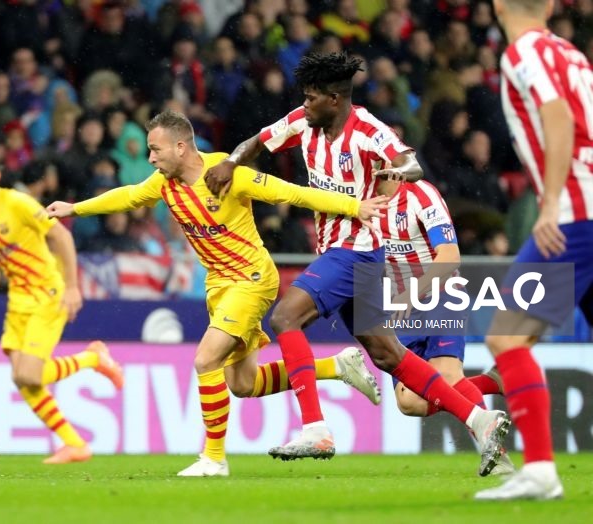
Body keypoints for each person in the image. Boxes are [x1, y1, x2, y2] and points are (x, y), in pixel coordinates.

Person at [205, 52, 509, 472]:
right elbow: (257, 140)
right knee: (386, 353)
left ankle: (315, 428)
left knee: (286, 317)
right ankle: (479, 418)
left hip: (357, 249)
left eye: (312, 98)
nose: (304, 104)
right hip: (349, 256)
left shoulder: (368, 131)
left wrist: (396, 173)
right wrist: (231, 160)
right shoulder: (301, 121)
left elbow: (410, 161)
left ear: (334, 99)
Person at [47, 110, 387, 476]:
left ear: (181, 147)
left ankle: (213, 458)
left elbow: (293, 193)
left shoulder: (231, 175)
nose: (150, 158)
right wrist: (74, 209)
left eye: (155, 150)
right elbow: (129, 197)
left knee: (205, 359)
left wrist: (354, 206)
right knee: (242, 384)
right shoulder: (164, 184)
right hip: (219, 286)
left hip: (251, 278)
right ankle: (336, 366)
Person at [476, 0, 593, 500]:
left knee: (507, 339)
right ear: (549, 5)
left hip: (573, 213)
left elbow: (558, 115)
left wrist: (549, 206)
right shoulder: (572, 54)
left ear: (499, 5)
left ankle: (541, 470)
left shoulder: (522, 51)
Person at [0, 147, 124, 465]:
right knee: (22, 379)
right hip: (17, 301)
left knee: (31, 375)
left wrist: (73, 287)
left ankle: (94, 358)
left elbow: (61, 238)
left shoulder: (18, 203)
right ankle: (75, 444)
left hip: (47, 292)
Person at [375, 175, 514, 476]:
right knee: (409, 402)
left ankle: (496, 454)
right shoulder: (362, 204)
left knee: (449, 374)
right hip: (401, 307)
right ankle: (492, 382)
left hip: (440, 293)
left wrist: (415, 290)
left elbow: (449, 256)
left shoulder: (422, 195)